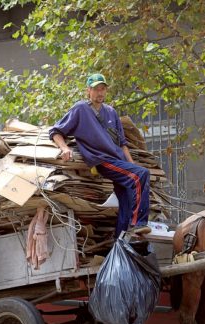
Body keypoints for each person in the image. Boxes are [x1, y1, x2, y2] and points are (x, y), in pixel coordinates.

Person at [49, 73, 151, 237]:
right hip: (102, 161)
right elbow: (56, 131)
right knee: (142, 175)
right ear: (88, 91)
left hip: (119, 161)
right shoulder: (80, 109)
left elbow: (122, 144)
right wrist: (64, 148)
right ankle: (138, 223)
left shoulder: (111, 112)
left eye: (103, 89)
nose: (100, 93)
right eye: (96, 89)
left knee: (126, 202)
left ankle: (120, 244)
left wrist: (133, 165)